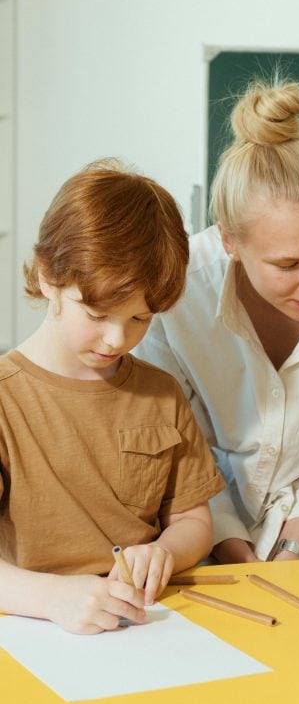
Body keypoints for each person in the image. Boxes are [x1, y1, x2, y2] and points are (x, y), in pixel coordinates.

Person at [137, 76, 299, 566]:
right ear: (231, 241)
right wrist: (231, 547)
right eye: (289, 265)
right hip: (188, 541)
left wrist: (295, 544)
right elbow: (178, 446)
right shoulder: (176, 294)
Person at [0, 160, 224, 635]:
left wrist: (165, 550)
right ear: (47, 277)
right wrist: (53, 596)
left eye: (140, 319)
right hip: (33, 626)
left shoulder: (161, 393)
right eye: (97, 314)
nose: (116, 340)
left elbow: (192, 520)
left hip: (145, 625)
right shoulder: (6, 398)